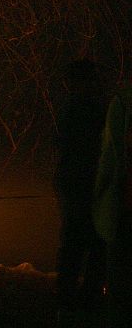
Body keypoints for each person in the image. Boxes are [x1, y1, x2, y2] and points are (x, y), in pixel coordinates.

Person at [54, 58, 106, 311]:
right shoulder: (93, 109)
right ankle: (85, 297)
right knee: (93, 243)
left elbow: (63, 146)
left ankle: (69, 297)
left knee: (75, 243)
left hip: (74, 182)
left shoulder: (71, 108)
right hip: (87, 184)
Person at [94, 78, 132, 324]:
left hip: (125, 205)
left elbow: (111, 155)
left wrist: (100, 194)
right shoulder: (123, 101)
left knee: (121, 283)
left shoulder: (123, 102)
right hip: (124, 203)